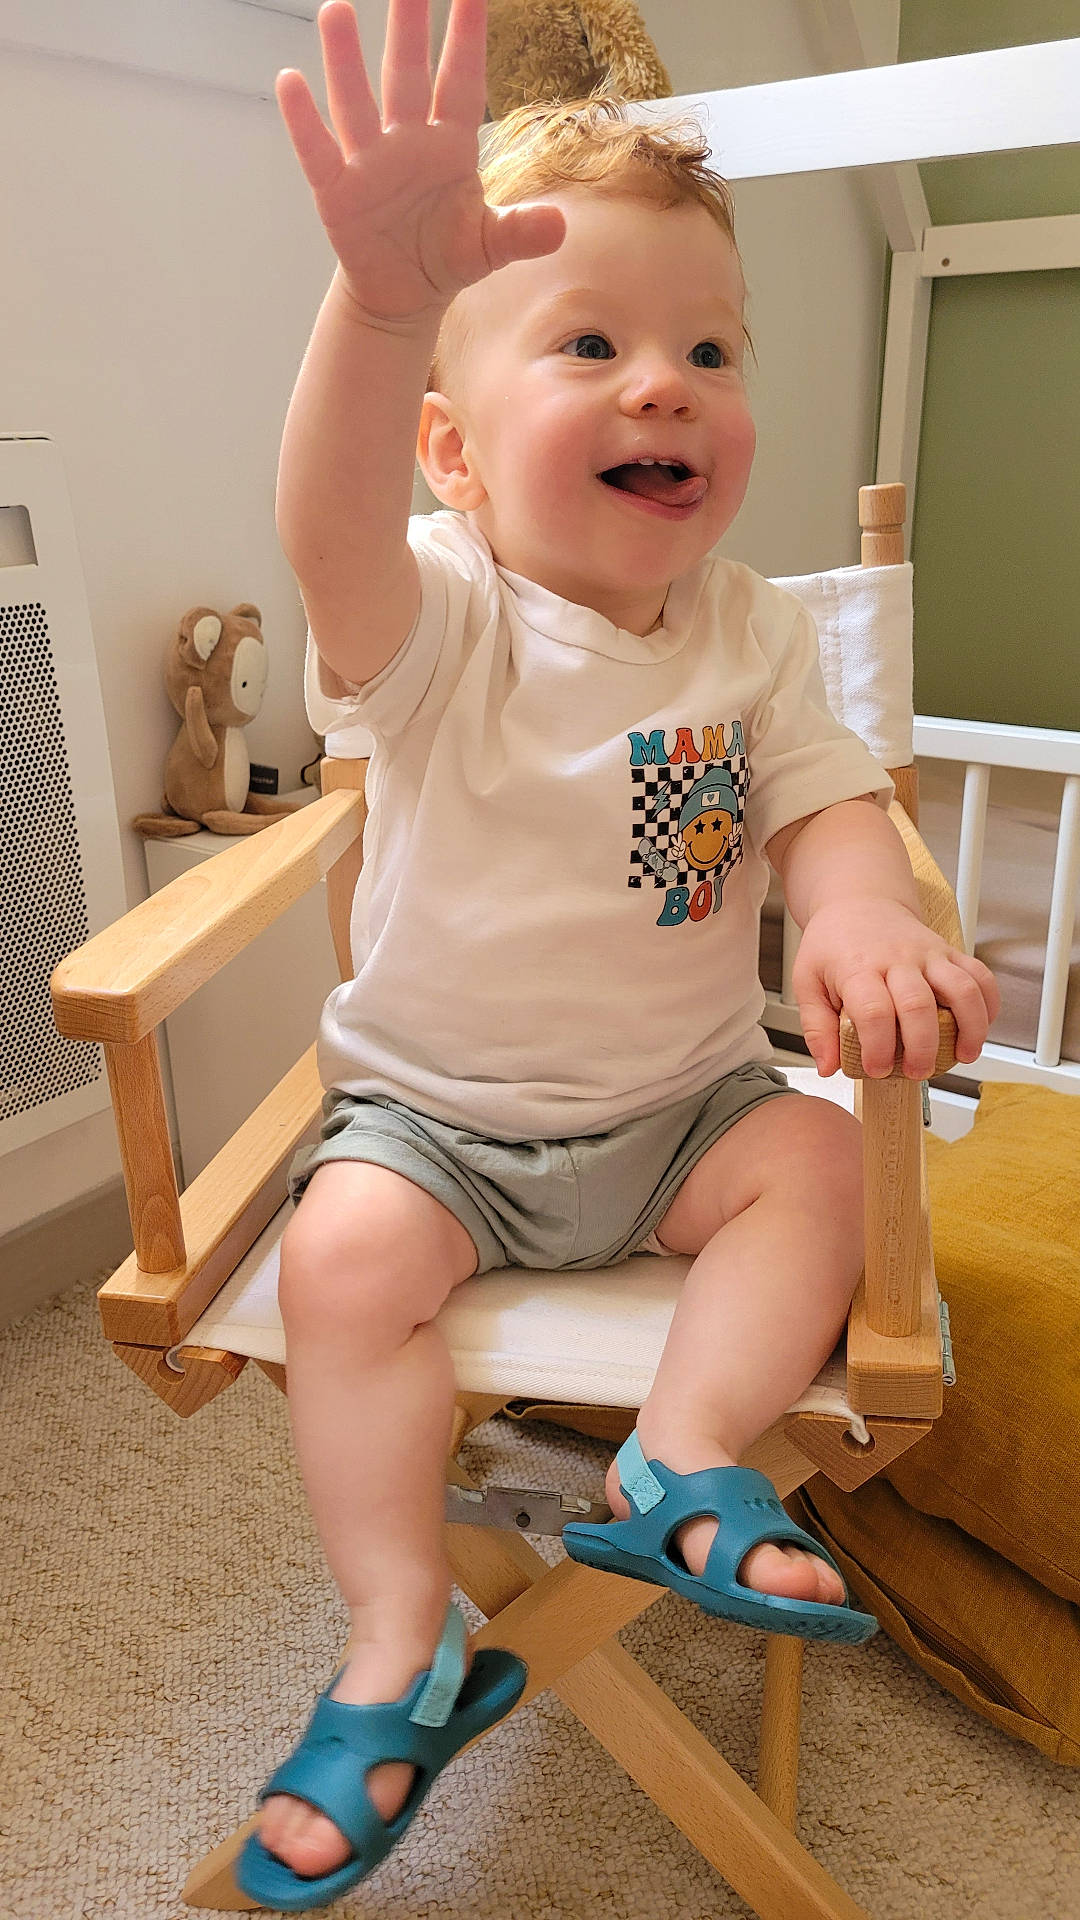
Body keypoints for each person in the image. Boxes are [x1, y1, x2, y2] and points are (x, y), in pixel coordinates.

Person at [238, 0, 1000, 1904]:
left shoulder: (747, 631)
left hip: (680, 1114)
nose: (666, 384)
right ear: (457, 453)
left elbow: (826, 804)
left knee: (815, 1161)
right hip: (440, 1123)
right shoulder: (437, 619)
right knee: (339, 1267)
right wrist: (379, 300)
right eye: (590, 344)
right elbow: (322, 520)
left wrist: (848, 908)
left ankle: (673, 1463)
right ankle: (398, 1635)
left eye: (712, 348)